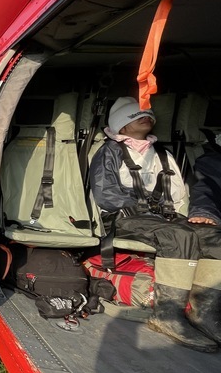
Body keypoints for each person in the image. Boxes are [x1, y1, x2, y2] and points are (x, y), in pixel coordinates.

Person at [89, 96, 221, 352]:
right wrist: (146, 207)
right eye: (136, 116)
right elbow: (105, 194)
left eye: (148, 114)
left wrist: (190, 215)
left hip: (166, 219)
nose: (146, 117)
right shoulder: (109, 151)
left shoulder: (162, 153)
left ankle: (205, 313)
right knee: (178, 235)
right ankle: (167, 315)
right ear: (121, 127)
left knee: (215, 236)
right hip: (124, 218)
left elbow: (178, 193)